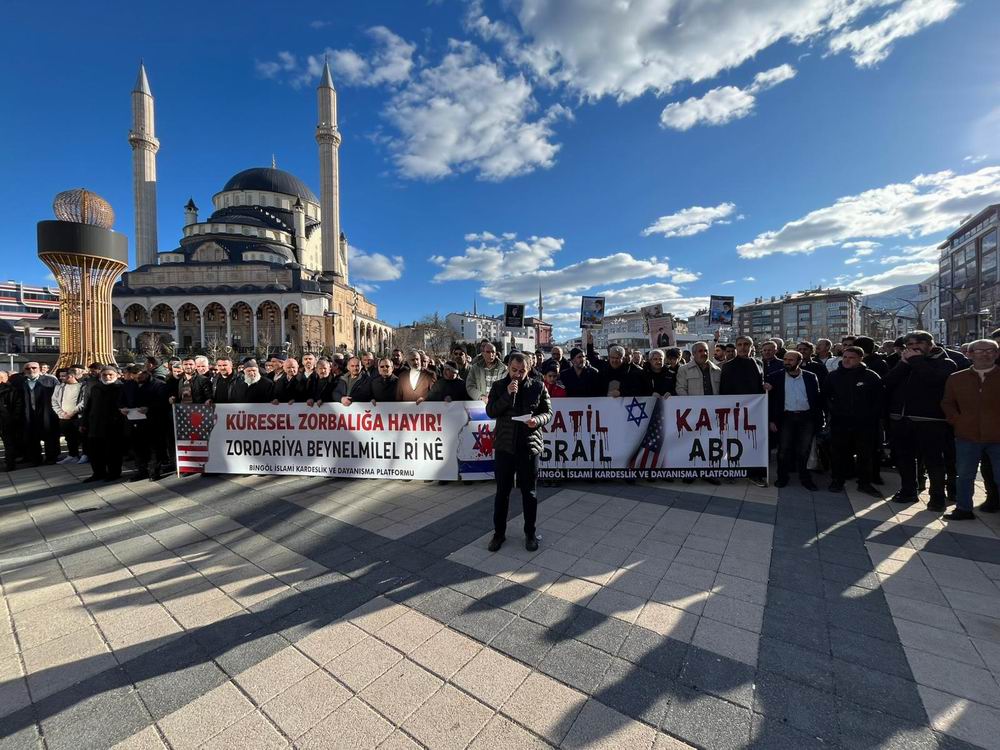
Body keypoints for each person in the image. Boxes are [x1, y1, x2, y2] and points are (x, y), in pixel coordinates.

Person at [486, 353, 553, 553]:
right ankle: (499, 533)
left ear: (529, 368)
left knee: (529, 493)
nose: (518, 375)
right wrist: (507, 394)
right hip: (505, 447)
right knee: (502, 493)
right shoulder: (499, 386)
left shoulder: (538, 386)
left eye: (522, 371)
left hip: (529, 447)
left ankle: (530, 533)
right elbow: (491, 411)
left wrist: (537, 421)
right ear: (508, 367)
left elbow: (548, 412)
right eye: (514, 370)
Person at [884, 331, 957, 509]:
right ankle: (908, 490)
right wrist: (903, 364)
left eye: (916, 346)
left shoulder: (945, 362)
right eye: (908, 347)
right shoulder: (905, 363)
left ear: (929, 344)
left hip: (930, 419)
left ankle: (937, 497)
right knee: (904, 458)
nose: (912, 350)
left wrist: (916, 361)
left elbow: (933, 380)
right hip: (901, 418)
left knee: (934, 460)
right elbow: (888, 382)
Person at [941, 339, 1000, 520]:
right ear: (970, 354)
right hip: (967, 435)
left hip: (998, 437)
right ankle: (964, 508)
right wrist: (957, 421)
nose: (985, 354)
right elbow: (948, 403)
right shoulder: (957, 378)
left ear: (997, 354)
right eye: (980, 351)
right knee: (965, 475)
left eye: (990, 350)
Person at [825, 346, 883, 495]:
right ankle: (837, 480)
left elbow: (879, 400)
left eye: (851, 358)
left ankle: (864, 483)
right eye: (844, 357)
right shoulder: (833, 376)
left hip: (864, 424)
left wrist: (870, 416)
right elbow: (825, 396)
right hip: (840, 422)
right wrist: (833, 410)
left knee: (865, 454)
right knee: (838, 453)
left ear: (860, 359)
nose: (847, 360)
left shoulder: (871, 376)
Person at [767, 350, 823, 490]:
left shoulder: (810, 377)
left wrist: (819, 419)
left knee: (804, 450)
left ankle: (805, 478)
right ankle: (782, 477)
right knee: (784, 450)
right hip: (786, 418)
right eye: (785, 359)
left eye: (791, 360)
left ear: (799, 361)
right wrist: (772, 420)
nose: (787, 362)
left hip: (806, 417)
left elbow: (816, 399)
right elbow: (770, 401)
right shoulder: (775, 377)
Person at [81, 367, 126, 482]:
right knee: (95, 451)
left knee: (113, 451)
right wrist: (84, 422)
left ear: (116, 375)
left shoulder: (121, 388)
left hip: (114, 425)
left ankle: (114, 473)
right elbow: (87, 406)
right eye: (105, 375)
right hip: (95, 424)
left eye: (110, 375)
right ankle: (98, 473)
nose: (107, 377)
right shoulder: (95, 387)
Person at [17, 362, 60, 465]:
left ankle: (51, 458)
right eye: (28, 368)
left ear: (39, 369)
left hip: (47, 413)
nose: (31, 370)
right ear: (24, 370)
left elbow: (58, 397)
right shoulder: (21, 383)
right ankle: (36, 459)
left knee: (49, 436)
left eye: (34, 368)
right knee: (32, 437)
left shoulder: (50, 380)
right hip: (29, 414)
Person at [52, 365, 87, 464]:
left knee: (82, 437)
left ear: (71, 375)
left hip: (78, 417)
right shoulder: (59, 387)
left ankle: (85, 455)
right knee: (69, 437)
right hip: (63, 417)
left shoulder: (82, 386)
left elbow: (84, 401)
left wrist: (73, 412)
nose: (61, 378)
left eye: (64, 376)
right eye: (60, 376)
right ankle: (72, 455)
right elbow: (54, 401)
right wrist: (61, 413)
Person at [0, 370, 23, 471]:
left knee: (9, 444)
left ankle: (10, 464)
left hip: (7, 421)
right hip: (5, 420)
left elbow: (18, 406)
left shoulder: (12, 390)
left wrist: (12, 419)